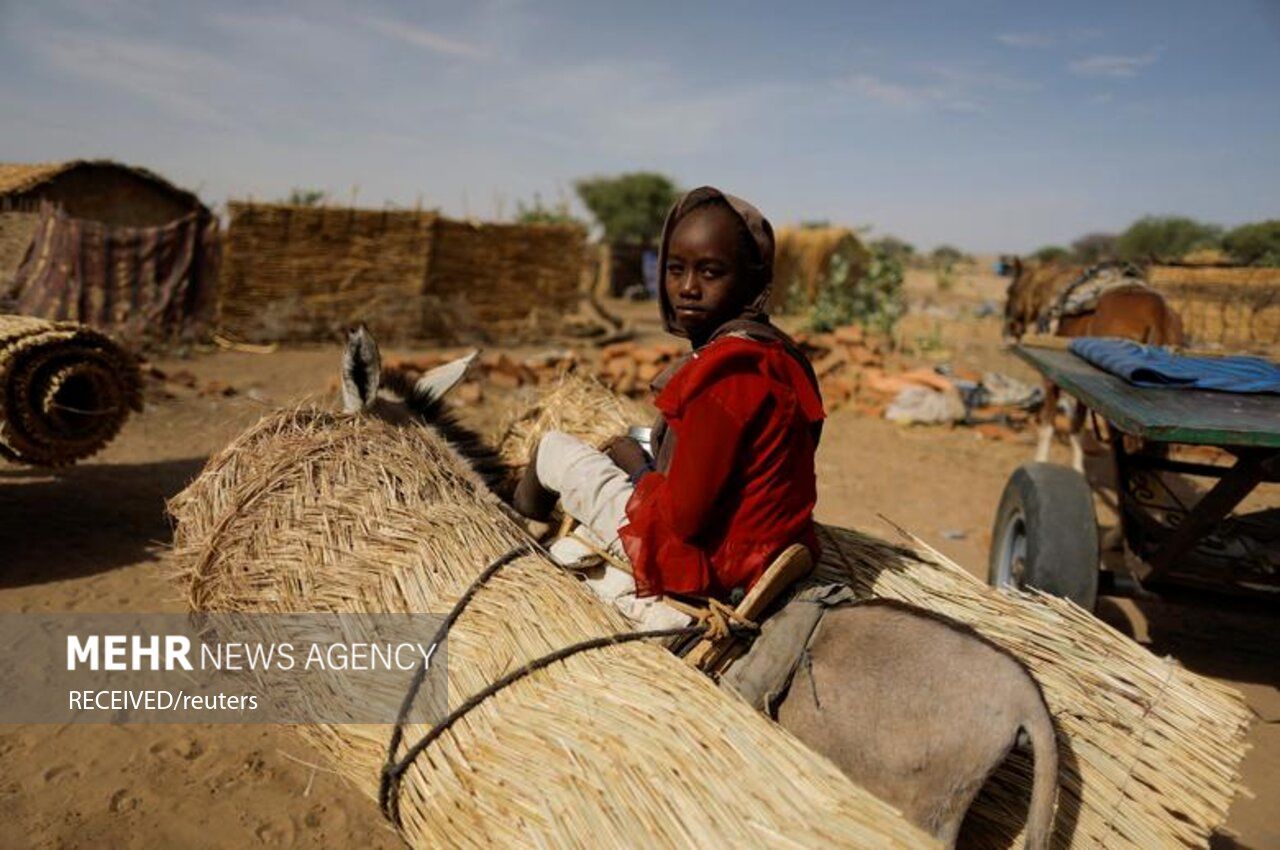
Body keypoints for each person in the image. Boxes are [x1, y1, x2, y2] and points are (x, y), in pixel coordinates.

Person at [514, 186, 825, 630]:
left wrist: (637, 467)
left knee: (554, 450)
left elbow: (685, 520)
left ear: (751, 283)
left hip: (712, 563)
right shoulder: (780, 356)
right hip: (769, 548)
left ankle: (516, 532)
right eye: (676, 269)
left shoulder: (724, 377)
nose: (688, 288)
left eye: (711, 272)